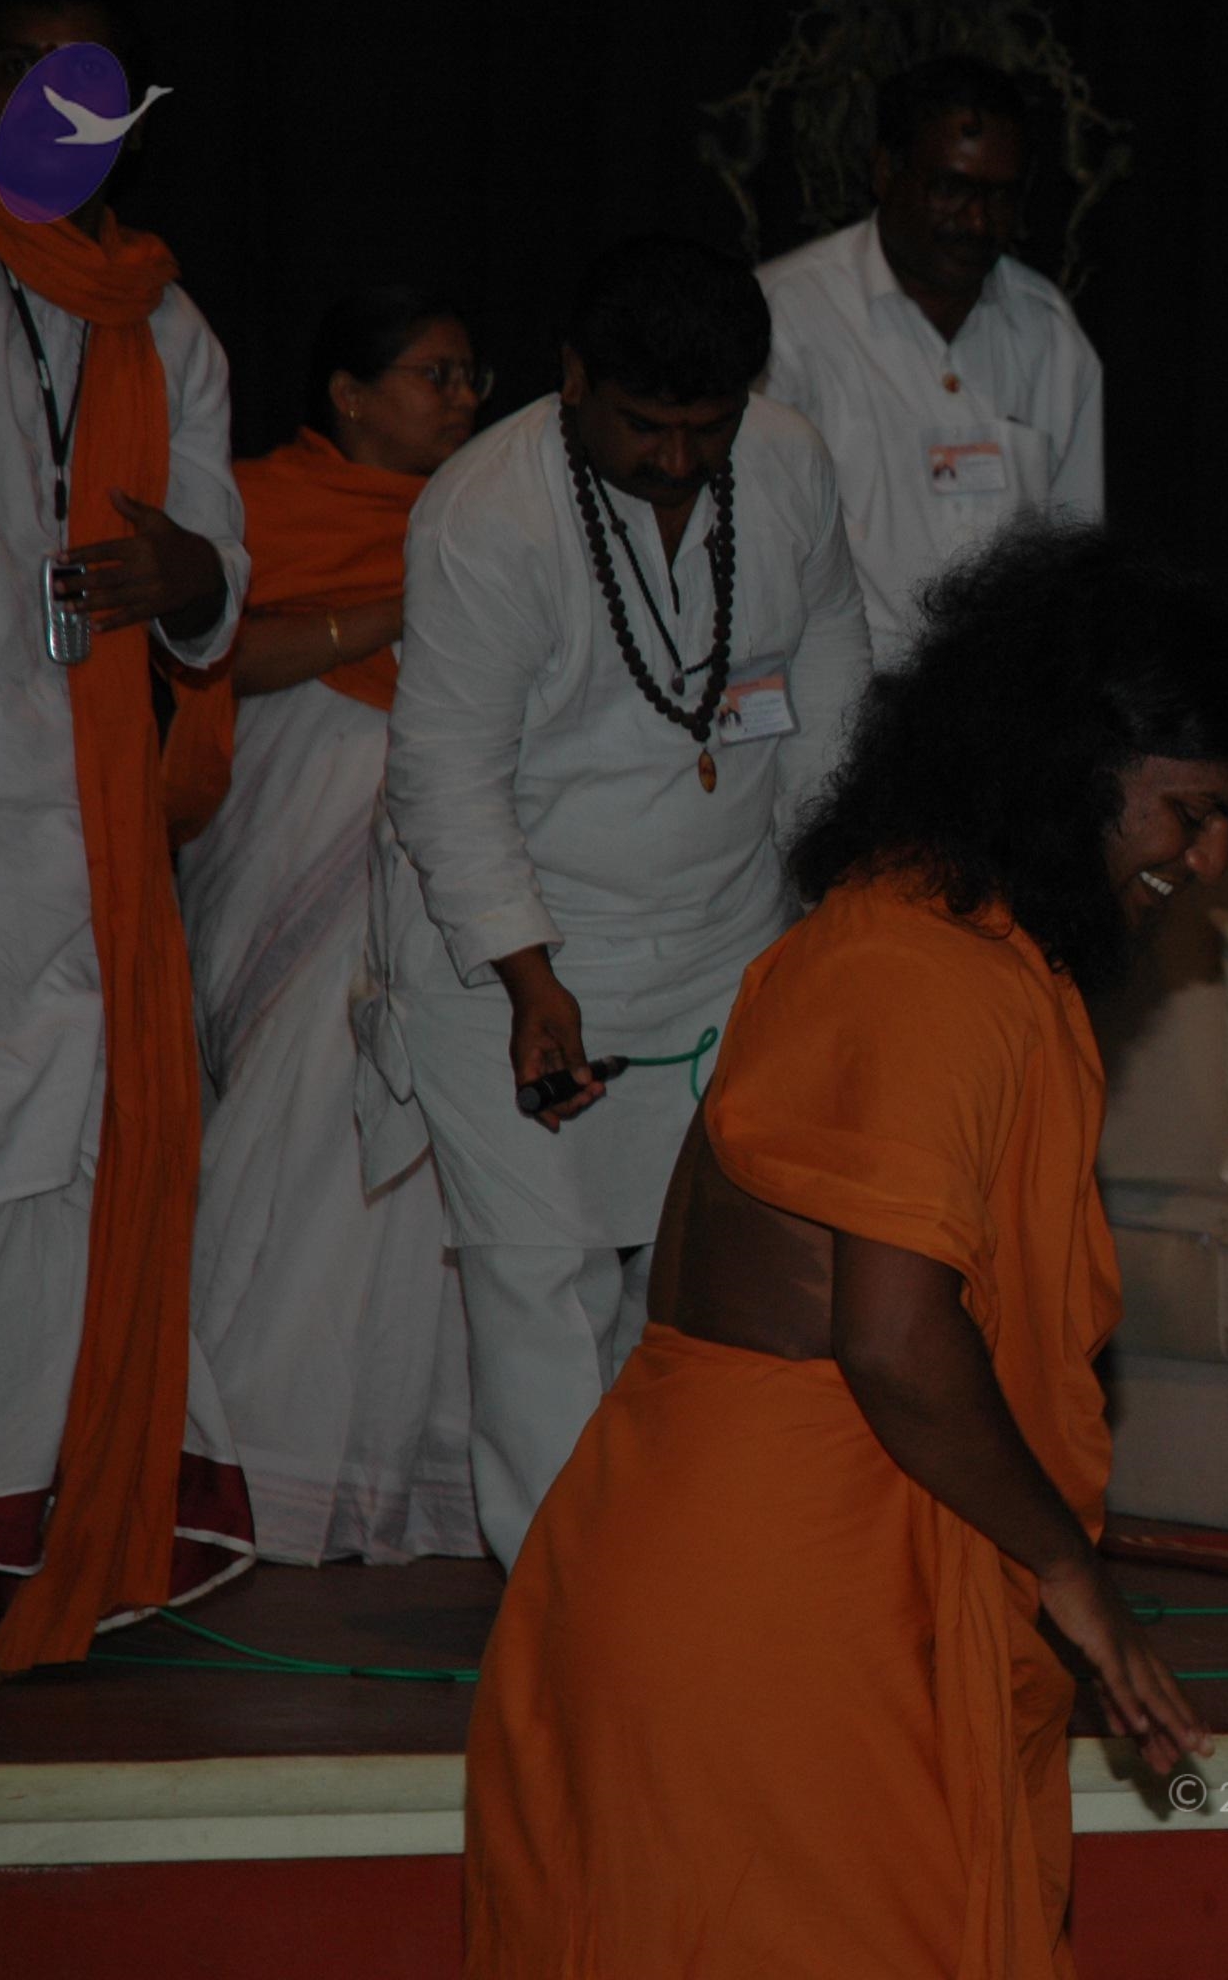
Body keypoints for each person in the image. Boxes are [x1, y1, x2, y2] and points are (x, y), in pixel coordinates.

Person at [464, 519, 1228, 1977]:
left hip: (773, 1579)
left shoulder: (935, 943)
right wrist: (1068, 1573)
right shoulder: (921, 968)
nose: (1208, 861)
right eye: (1189, 812)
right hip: (769, 1610)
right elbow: (895, 1336)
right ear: (1073, 769)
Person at [362, 236, 871, 1568]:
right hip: (513, 951)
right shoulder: (488, 514)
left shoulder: (790, 465)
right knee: (539, 1273)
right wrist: (531, 978)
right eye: (645, 425)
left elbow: (830, 689)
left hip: (722, 935)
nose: (677, 459)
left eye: (708, 426)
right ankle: (564, 1597)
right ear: (574, 378)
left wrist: (837, 904)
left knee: (699, 1273)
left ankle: (674, 1570)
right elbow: (444, 774)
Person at [0, 0, 254, 1690]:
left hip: (82, 840)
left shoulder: (167, 326)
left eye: (82, 79)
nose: (50, 100)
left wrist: (188, 577)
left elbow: (218, 580)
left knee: (57, 1199)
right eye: (19, 70)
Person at [171, 289, 489, 1564]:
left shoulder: (487, 510)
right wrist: (408, 604)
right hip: (288, 833)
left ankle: (393, 1476)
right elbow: (218, 659)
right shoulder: (256, 504)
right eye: (434, 375)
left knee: (404, 1160)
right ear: (349, 395)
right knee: (295, 1116)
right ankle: (248, 1452)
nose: (463, 400)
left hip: (429, 852)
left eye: (472, 378)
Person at [758, 54, 1104, 668]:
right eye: (951, 188)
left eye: (1000, 196)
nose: (978, 220)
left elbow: (1075, 559)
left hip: (1003, 700)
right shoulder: (787, 317)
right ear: (885, 171)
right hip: (842, 698)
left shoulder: (1048, 332)